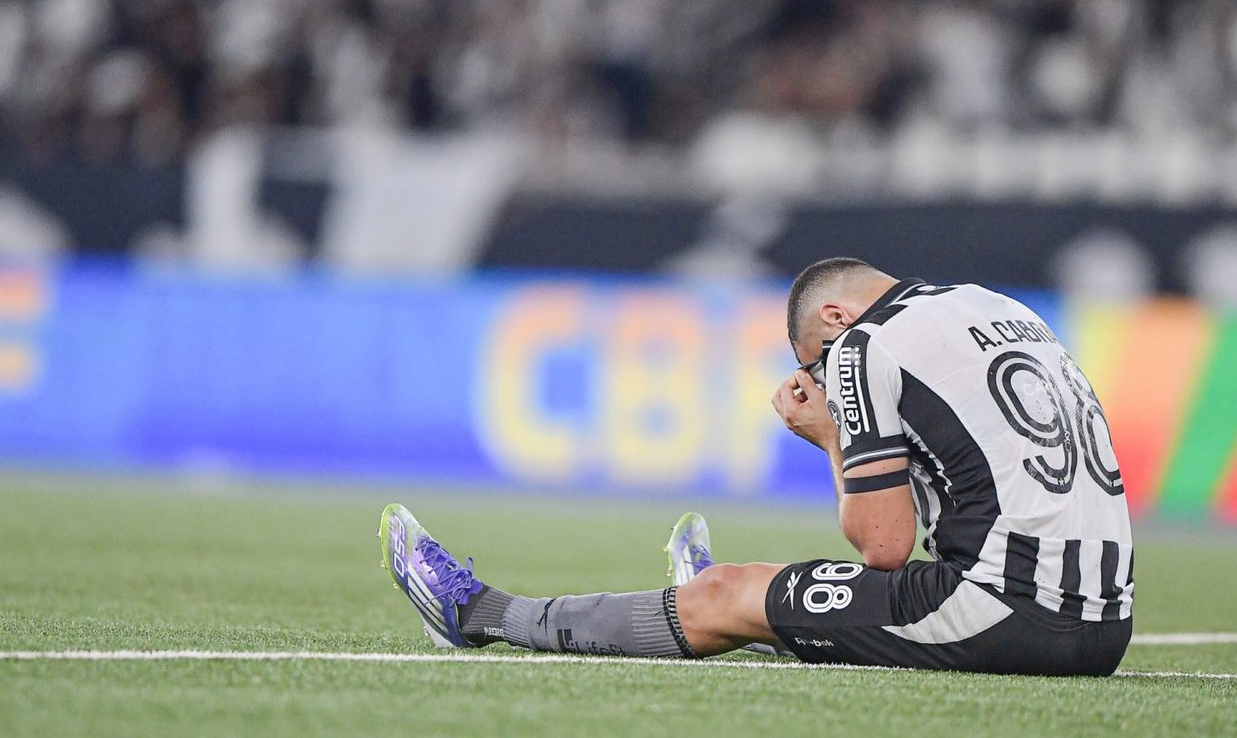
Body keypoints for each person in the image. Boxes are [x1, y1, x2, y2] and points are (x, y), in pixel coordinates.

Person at [379, 257, 1134, 675]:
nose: (823, 380)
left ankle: (480, 615)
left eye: (817, 364)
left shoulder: (867, 346)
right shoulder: (997, 306)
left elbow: (883, 549)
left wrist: (833, 438)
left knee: (723, 592)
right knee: (779, 596)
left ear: (836, 321)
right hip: (1108, 621)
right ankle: (767, 615)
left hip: (1008, 614)